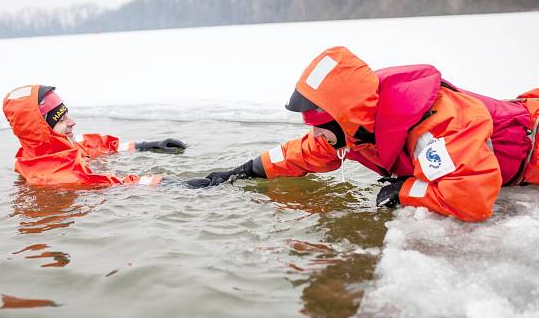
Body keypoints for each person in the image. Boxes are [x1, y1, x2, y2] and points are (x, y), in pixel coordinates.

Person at [199, 46, 539, 222]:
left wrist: (405, 190)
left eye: (319, 126)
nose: (315, 135)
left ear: (345, 119)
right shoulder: (360, 125)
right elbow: (301, 153)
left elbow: (470, 200)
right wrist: (240, 172)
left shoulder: (438, 125)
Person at [2, 84, 199, 187]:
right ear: (42, 132)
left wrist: (145, 145)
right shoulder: (59, 176)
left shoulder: (53, 146)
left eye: (67, 114)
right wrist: (179, 184)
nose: (72, 122)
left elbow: (92, 144)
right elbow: (114, 184)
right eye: (61, 121)